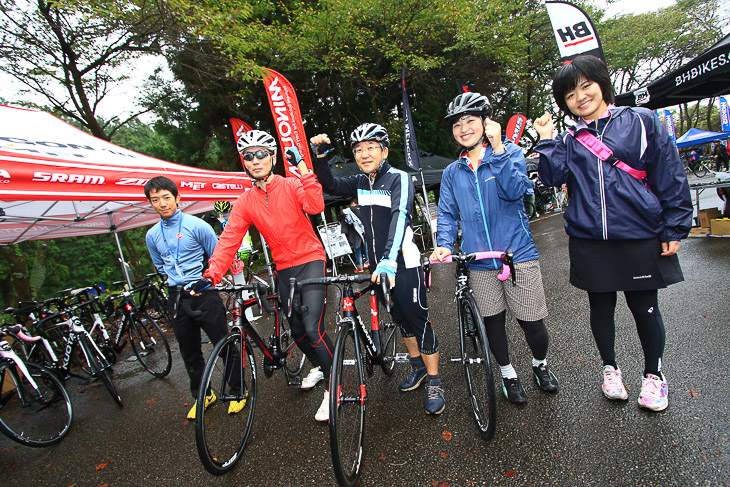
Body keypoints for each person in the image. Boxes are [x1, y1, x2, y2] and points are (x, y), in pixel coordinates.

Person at [533, 55, 692, 412]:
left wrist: (675, 226)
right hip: (590, 240)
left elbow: (670, 174)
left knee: (644, 307)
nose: (580, 95)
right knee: (600, 307)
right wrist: (545, 139)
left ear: (602, 84)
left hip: (638, 233)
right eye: (570, 92)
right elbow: (552, 176)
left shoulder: (641, 121)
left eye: (586, 85)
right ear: (564, 102)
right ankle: (611, 369)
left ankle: (654, 375)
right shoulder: (569, 138)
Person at [187, 130, 334, 422]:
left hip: (311, 259)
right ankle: (319, 365)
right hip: (283, 267)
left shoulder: (291, 184)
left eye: (262, 154)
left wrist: (304, 168)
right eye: (249, 156)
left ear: (273, 157)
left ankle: (334, 387)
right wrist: (211, 275)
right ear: (245, 162)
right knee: (297, 331)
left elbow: (316, 206)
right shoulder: (245, 202)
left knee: (313, 326)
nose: (256, 160)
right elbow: (228, 240)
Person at [430, 92, 559, 405]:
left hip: (517, 256)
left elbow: (516, 190)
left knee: (533, 324)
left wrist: (499, 149)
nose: (464, 129)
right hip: (478, 261)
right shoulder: (452, 173)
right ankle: (508, 374)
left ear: (485, 122)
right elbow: (447, 214)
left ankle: (539, 364)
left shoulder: (510, 152)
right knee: (493, 323)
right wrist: (444, 245)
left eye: (470, 121)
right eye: (457, 124)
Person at [311, 124, 446, 415]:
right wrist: (320, 160)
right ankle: (417, 367)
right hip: (378, 268)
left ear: (384, 150)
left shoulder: (399, 178)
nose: (364, 154)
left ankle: (435, 380)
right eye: (358, 149)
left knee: (418, 320)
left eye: (371, 147)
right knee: (400, 319)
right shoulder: (361, 182)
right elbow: (331, 187)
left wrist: (388, 259)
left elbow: (400, 218)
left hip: (403, 263)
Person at [144, 176, 244, 420]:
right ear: (150, 203)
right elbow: (160, 265)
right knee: (189, 350)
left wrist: (205, 280)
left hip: (204, 293)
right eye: (155, 200)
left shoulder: (198, 225)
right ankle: (203, 395)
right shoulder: (151, 235)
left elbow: (216, 256)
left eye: (166, 197)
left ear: (178, 198)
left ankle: (238, 391)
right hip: (177, 296)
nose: (162, 204)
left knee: (222, 342)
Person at [339, 200, 367, 272]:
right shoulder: (364, 209)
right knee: (367, 248)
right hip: (365, 231)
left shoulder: (348, 210)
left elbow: (341, 214)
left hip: (355, 232)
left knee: (357, 250)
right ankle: (368, 263)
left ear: (353, 203)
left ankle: (360, 267)